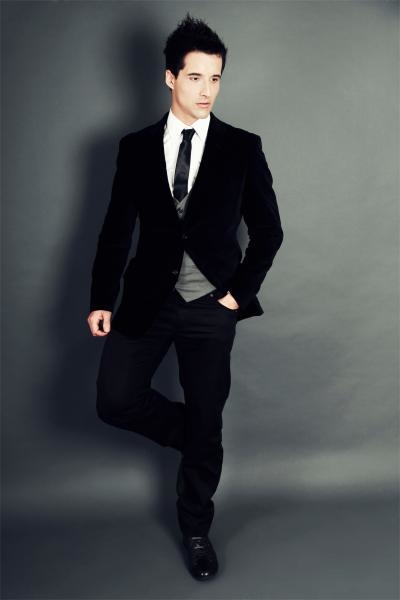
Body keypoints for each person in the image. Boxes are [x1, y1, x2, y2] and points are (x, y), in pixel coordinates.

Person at [87, 13, 284, 581]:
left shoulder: (242, 147)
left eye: (215, 78)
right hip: (146, 300)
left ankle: (196, 529)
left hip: (211, 307)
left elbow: (268, 231)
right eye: (195, 77)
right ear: (170, 77)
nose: (207, 90)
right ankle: (195, 435)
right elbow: (116, 230)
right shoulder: (135, 148)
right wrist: (102, 298)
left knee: (207, 416)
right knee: (115, 399)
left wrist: (237, 296)